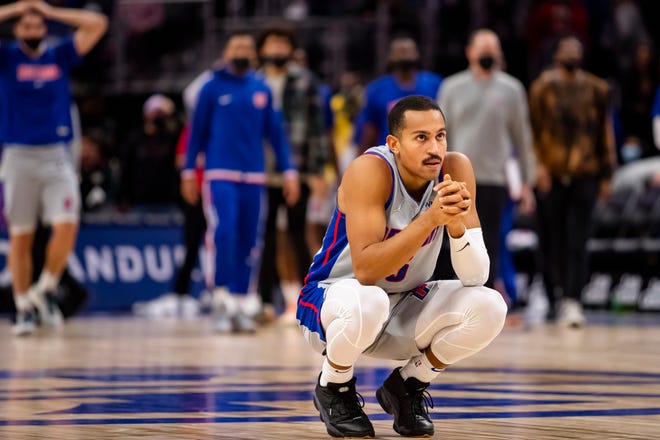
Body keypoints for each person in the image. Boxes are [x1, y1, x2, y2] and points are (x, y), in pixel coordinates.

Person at [297, 96, 507, 438]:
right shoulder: (370, 170)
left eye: (440, 135)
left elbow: (476, 276)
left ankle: (407, 385)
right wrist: (430, 220)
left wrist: (455, 227)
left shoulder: (456, 168)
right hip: (335, 303)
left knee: (490, 306)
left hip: (403, 302)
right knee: (370, 300)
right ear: (394, 143)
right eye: (421, 137)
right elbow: (365, 270)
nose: (435, 147)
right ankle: (334, 386)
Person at [0, 0, 107, 336]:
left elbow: (97, 24)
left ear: (45, 29)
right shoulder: (7, 57)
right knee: (21, 235)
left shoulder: (58, 54)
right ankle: (23, 307)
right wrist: (16, 8)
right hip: (17, 154)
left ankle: (44, 289)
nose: (32, 31)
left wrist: (49, 11)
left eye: (37, 26)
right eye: (26, 26)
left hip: (57, 154)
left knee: (67, 225)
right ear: (17, 30)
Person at [181, 30, 299, 333]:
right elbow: (196, 133)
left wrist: (289, 171)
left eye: (247, 46)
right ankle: (219, 294)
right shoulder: (210, 87)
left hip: (254, 175)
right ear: (226, 51)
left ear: (254, 54)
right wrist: (187, 171)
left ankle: (241, 298)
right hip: (220, 174)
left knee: (250, 238)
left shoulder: (261, 88)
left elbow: (276, 134)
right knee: (224, 232)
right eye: (236, 46)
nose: (242, 50)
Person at [437, 29, 536, 290]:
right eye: (483, 49)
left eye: (493, 49)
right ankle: (452, 296)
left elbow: (522, 138)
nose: (488, 54)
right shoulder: (451, 87)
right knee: (454, 238)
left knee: (491, 241)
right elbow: (440, 134)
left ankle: (485, 296)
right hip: (456, 179)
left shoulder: (512, 89)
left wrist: (527, 182)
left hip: (495, 179)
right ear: (470, 52)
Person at [529, 35, 617, 327]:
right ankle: (553, 297)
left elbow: (605, 131)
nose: (572, 53)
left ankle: (573, 300)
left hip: (586, 172)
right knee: (551, 240)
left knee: (578, 240)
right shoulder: (542, 87)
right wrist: (537, 168)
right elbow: (532, 131)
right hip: (551, 174)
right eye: (567, 49)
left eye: (577, 49)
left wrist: (608, 172)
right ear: (555, 54)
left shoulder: (596, 87)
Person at [255, 24, 329, 323]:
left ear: (291, 49)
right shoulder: (253, 83)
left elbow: (318, 130)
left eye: (282, 44)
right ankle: (263, 302)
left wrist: (318, 171)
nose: (277, 50)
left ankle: (304, 302)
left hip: (297, 170)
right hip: (260, 171)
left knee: (299, 234)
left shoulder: (305, 82)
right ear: (262, 49)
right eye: (271, 44)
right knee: (265, 236)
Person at [353, 34, 442, 152]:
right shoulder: (376, 90)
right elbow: (369, 131)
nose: (404, 54)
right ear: (390, 57)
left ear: (417, 54)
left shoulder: (436, 85)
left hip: (428, 152)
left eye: (408, 50)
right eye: (400, 51)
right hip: (390, 156)